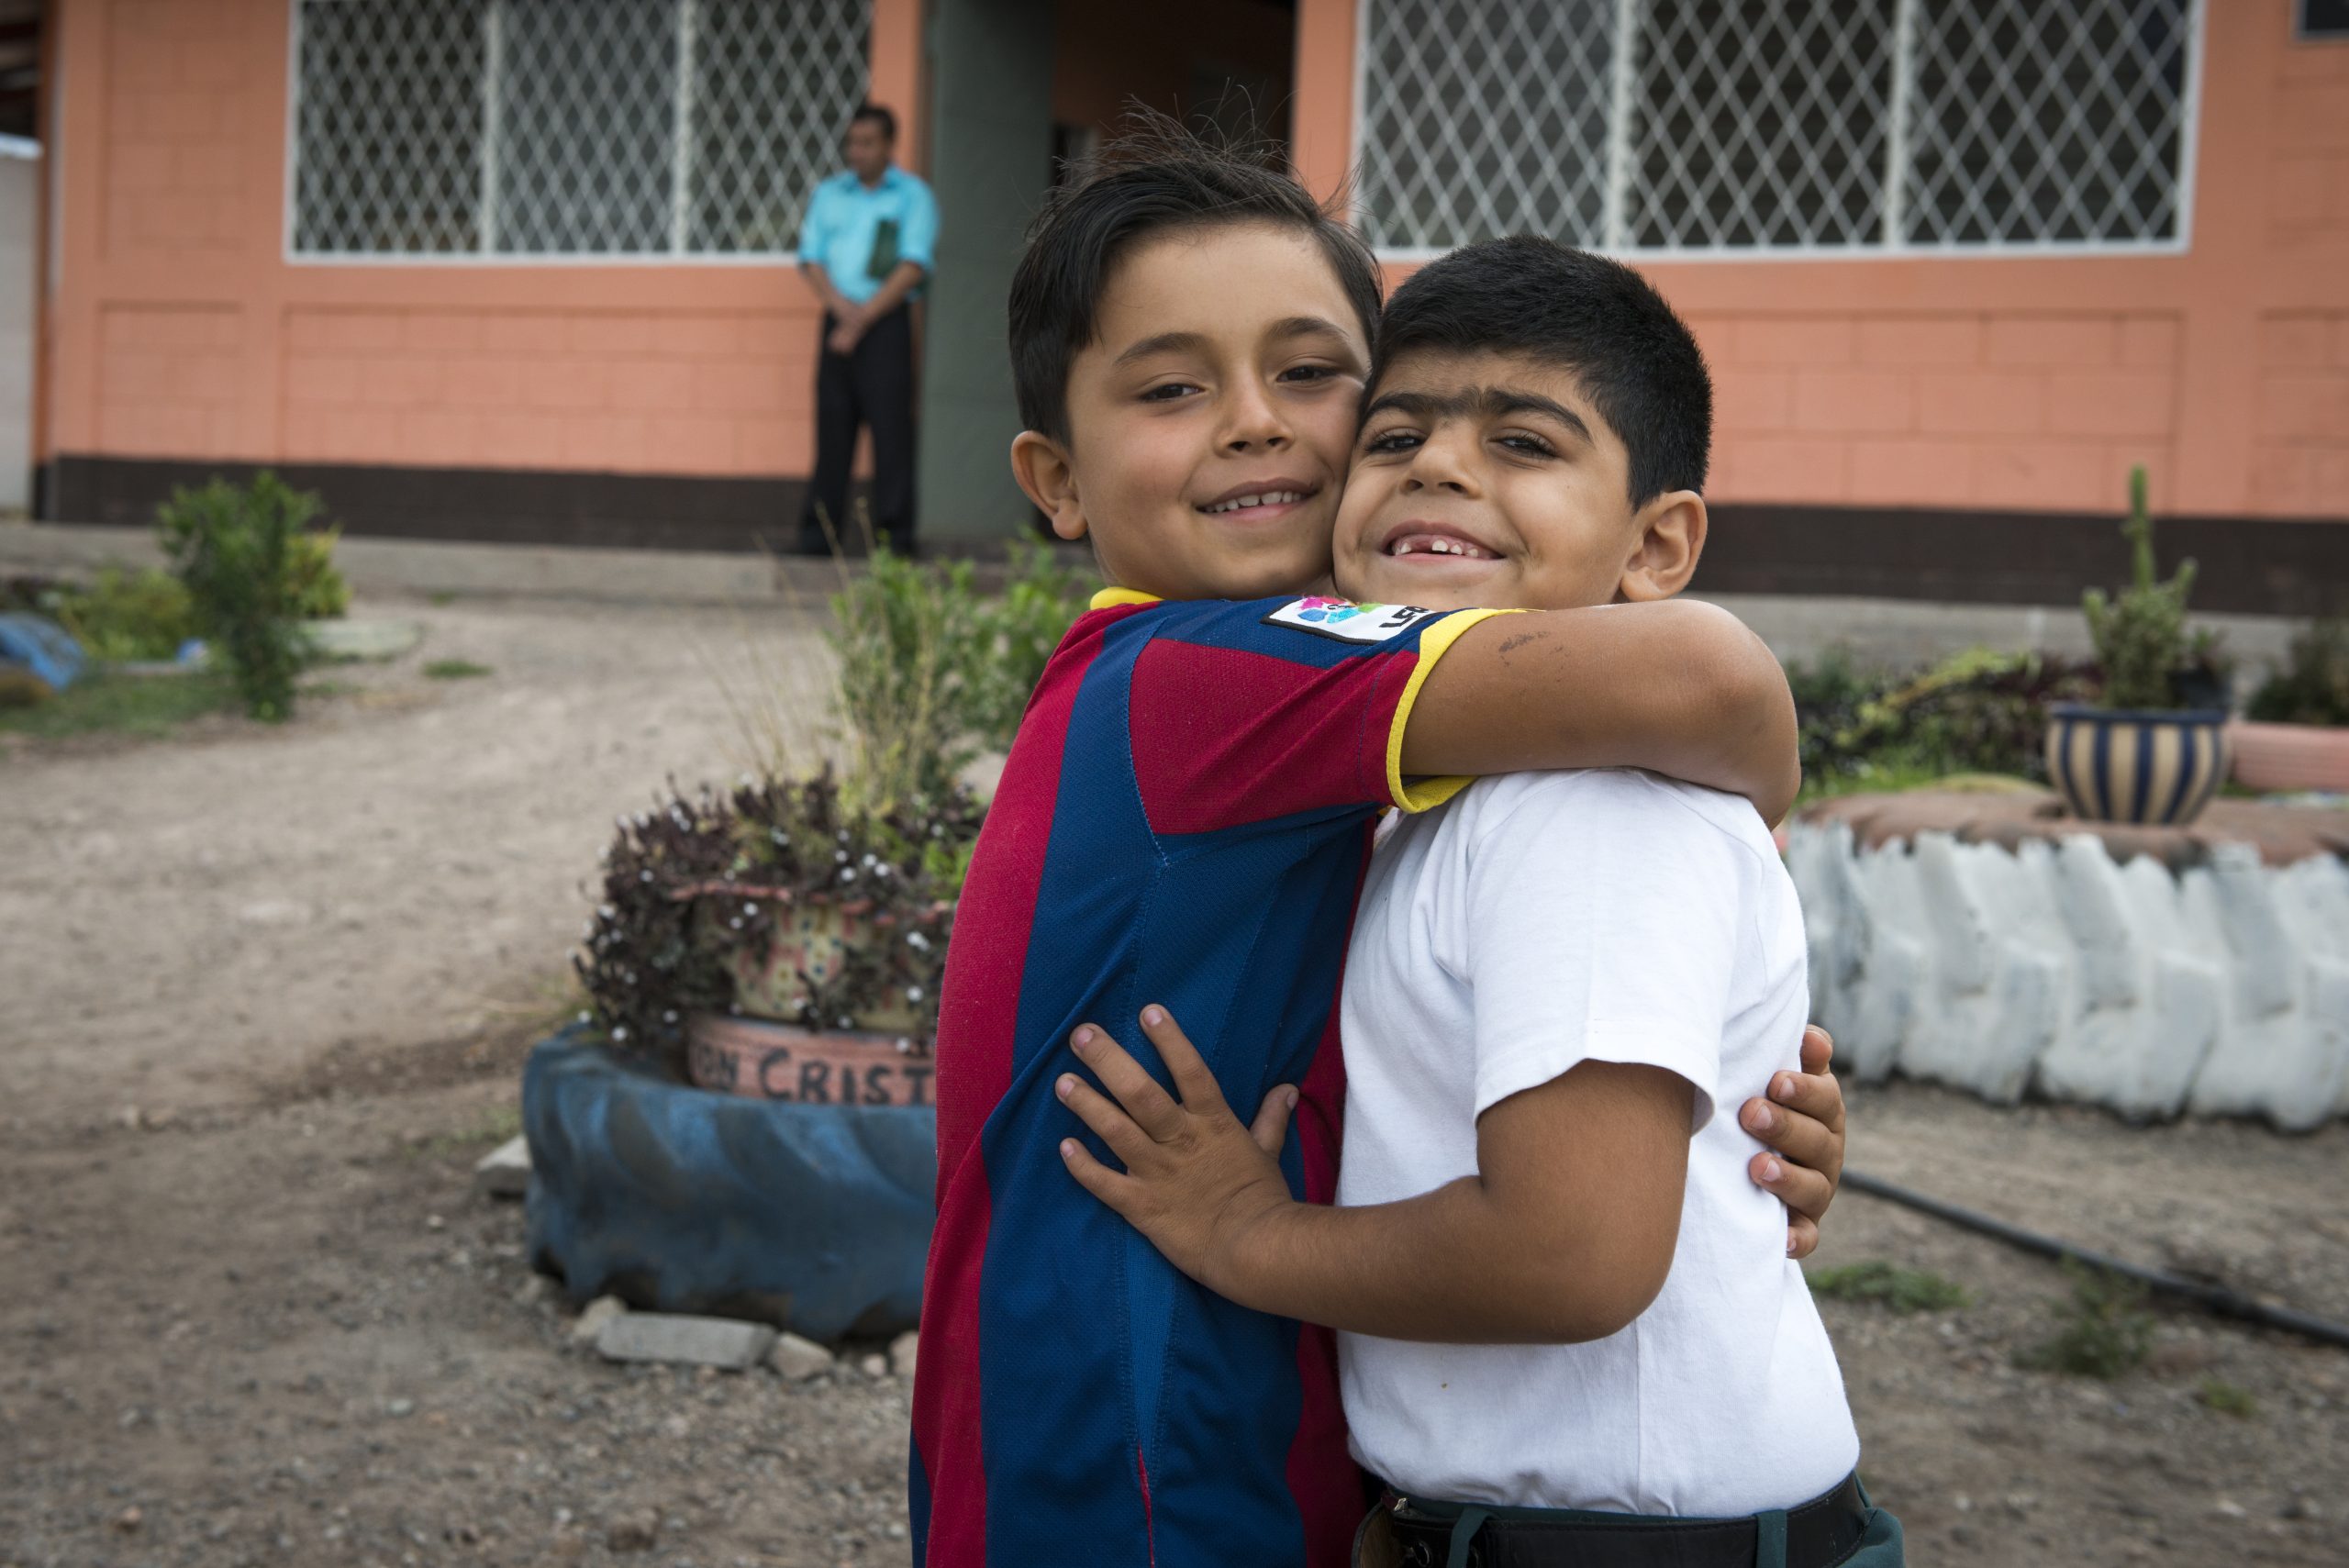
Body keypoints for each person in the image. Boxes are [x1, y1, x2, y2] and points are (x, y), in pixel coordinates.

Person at [907, 130, 1849, 1568]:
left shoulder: (1385, 758)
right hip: (1140, 1477)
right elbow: (1708, 685)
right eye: (1171, 388)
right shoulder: (1196, 674)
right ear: (1056, 479)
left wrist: (1730, 1071)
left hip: (1197, 1450)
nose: (1254, 424)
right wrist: (1749, 841)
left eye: (1311, 375)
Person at [796, 102, 936, 554]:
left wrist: (863, 320)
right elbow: (811, 257)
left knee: (891, 432)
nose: (856, 151)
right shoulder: (830, 193)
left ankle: (895, 543)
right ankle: (818, 540)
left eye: (867, 143)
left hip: (887, 325)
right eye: (852, 142)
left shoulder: (913, 196)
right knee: (832, 432)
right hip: (837, 319)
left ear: (889, 145)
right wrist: (842, 311)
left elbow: (913, 265)